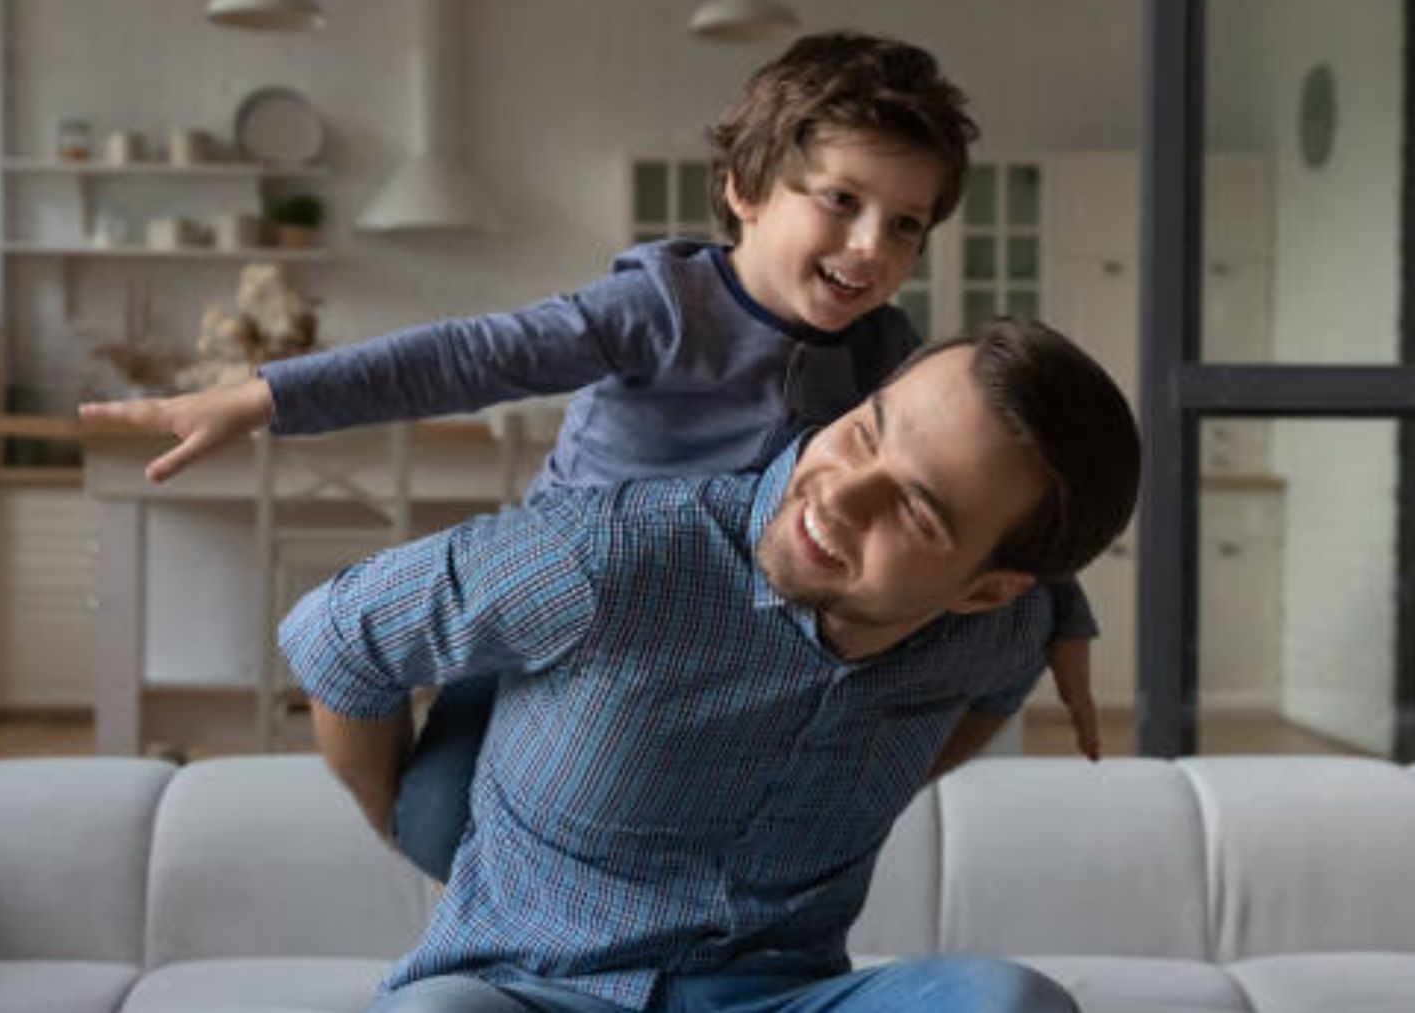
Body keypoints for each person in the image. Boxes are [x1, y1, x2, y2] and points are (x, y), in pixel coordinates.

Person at [78, 31, 1105, 885]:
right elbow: (469, 356)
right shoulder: (663, 308)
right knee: (440, 826)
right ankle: (500, 895)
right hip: (557, 617)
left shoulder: (885, 354)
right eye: (840, 200)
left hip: (708, 647)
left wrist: (1064, 616)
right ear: (746, 187)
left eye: (907, 224)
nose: (874, 245)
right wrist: (265, 394)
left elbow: (994, 494)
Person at [286, 318, 1141, 1013]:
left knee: (1011, 1001)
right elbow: (339, 633)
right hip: (529, 990)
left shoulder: (999, 630)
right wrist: (399, 818)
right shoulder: (606, 557)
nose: (839, 493)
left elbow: (997, 684)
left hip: (786, 995)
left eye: (915, 511)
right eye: (865, 432)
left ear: (985, 590)